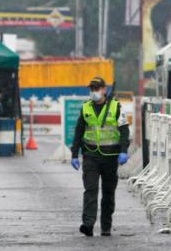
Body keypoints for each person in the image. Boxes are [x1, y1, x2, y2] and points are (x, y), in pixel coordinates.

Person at [70, 76, 130, 237]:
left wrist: (124, 150)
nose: (94, 92)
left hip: (111, 156)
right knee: (90, 190)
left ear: (104, 90)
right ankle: (88, 224)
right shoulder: (86, 108)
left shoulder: (116, 107)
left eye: (97, 88)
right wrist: (74, 154)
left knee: (108, 192)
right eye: (92, 89)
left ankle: (106, 226)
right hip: (90, 156)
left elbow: (124, 131)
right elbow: (78, 131)